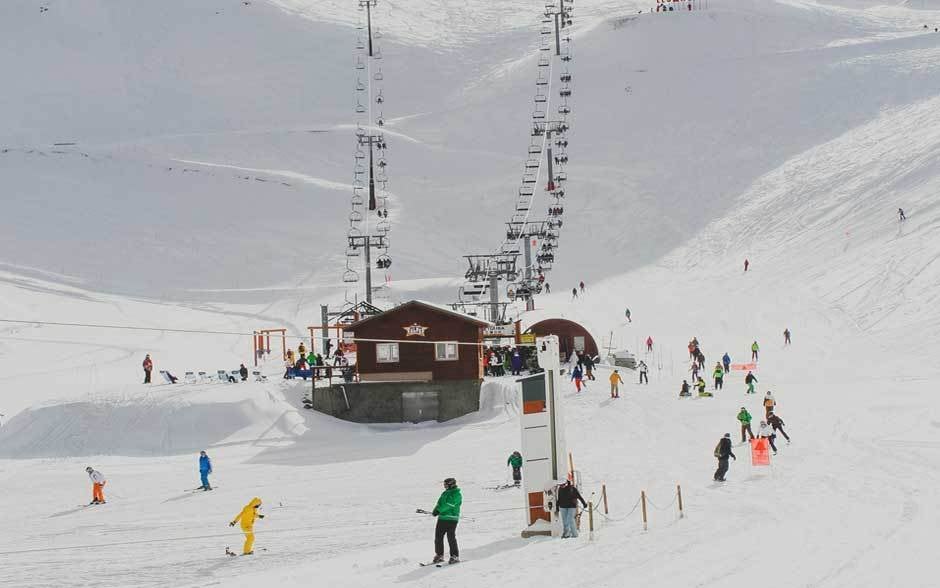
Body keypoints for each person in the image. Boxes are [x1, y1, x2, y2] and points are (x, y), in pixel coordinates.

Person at [430, 478, 462, 565]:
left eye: (446, 484)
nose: (444, 486)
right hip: (442, 518)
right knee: (438, 537)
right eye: (444, 484)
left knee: (450, 537)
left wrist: (439, 510)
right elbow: (439, 503)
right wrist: (435, 510)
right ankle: (439, 555)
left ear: (451, 484)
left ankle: (454, 556)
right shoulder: (444, 493)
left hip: (451, 519)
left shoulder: (457, 494)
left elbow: (449, 504)